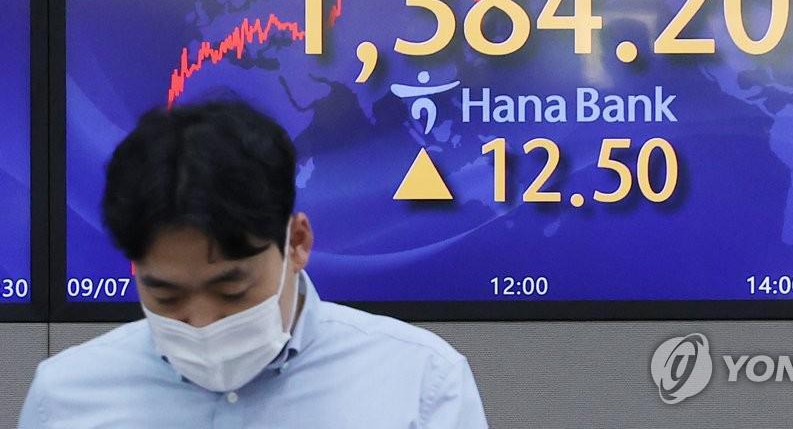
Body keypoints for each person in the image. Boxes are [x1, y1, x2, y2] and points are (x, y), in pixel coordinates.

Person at [18, 101, 488, 428]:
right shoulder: (66, 399)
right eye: (166, 296)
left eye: (232, 290)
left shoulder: (420, 383)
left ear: (297, 242)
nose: (202, 324)